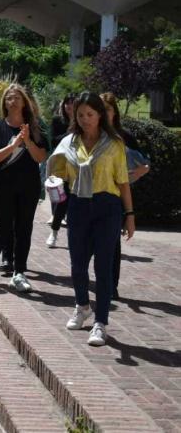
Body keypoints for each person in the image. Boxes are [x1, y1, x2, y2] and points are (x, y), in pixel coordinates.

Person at [48, 92, 134, 346]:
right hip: (78, 205)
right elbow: (58, 174)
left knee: (103, 266)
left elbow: (123, 182)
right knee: (77, 264)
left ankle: (101, 322)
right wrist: (52, 182)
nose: (85, 119)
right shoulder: (69, 143)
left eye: (90, 114)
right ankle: (82, 305)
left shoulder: (114, 144)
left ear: (100, 115)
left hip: (108, 206)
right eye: (81, 114)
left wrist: (129, 215)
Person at [0, 84, 48, 292]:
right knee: (2, 226)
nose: (13, 100)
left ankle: (20, 273)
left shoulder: (35, 128)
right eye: (9, 97)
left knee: (24, 229)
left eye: (17, 97)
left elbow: (40, 157)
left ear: (24, 101)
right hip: (2, 184)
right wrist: (13, 145)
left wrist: (27, 139)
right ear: (5, 103)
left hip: (28, 186)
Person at [101, 92, 149, 300]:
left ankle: (111, 285)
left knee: (112, 241)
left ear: (114, 112)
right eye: (100, 109)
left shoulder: (124, 135)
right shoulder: (91, 133)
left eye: (108, 109)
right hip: (93, 193)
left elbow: (145, 161)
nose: (104, 114)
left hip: (118, 194)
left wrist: (141, 171)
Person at [45, 93, 76, 248]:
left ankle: (74, 237)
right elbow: (53, 140)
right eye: (67, 103)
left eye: (72, 103)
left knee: (75, 204)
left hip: (78, 168)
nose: (69, 106)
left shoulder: (82, 121)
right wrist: (70, 133)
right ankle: (54, 233)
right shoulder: (58, 121)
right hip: (60, 167)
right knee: (61, 202)